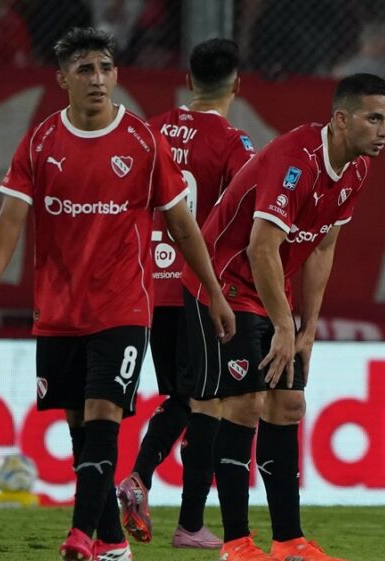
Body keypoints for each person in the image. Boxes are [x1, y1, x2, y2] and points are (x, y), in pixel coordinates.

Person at [0, 27, 235, 561]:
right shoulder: (41, 141)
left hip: (123, 306)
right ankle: (113, 543)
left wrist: (214, 290)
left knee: (102, 413)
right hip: (59, 308)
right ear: (62, 79)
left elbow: (183, 225)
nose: (98, 79)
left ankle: (79, 535)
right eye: (86, 69)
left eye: (106, 68)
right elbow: (12, 215)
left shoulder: (142, 140)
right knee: (79, 427)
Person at [182, 73, 385, 561]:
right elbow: (261, 247)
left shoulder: (357, 168)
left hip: (269, 290)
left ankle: (288, 541)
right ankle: (236, 543)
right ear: (341, 119)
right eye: (374, 118)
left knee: (289, 406)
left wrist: (307, 328)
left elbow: (322, 247)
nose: (384, 130)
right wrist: (283, 325)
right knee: (245, 404)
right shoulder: (295, 160)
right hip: (224, 283)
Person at [115, 37, 256, 550]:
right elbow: (249, 215)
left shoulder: (149, 130)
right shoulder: (236, 145)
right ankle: (184, 518)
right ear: (237, 85)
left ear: (189, 80)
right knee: (209, 401)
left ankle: (147, 486)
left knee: (183, 395)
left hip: (149, 285)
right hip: (201, 288)